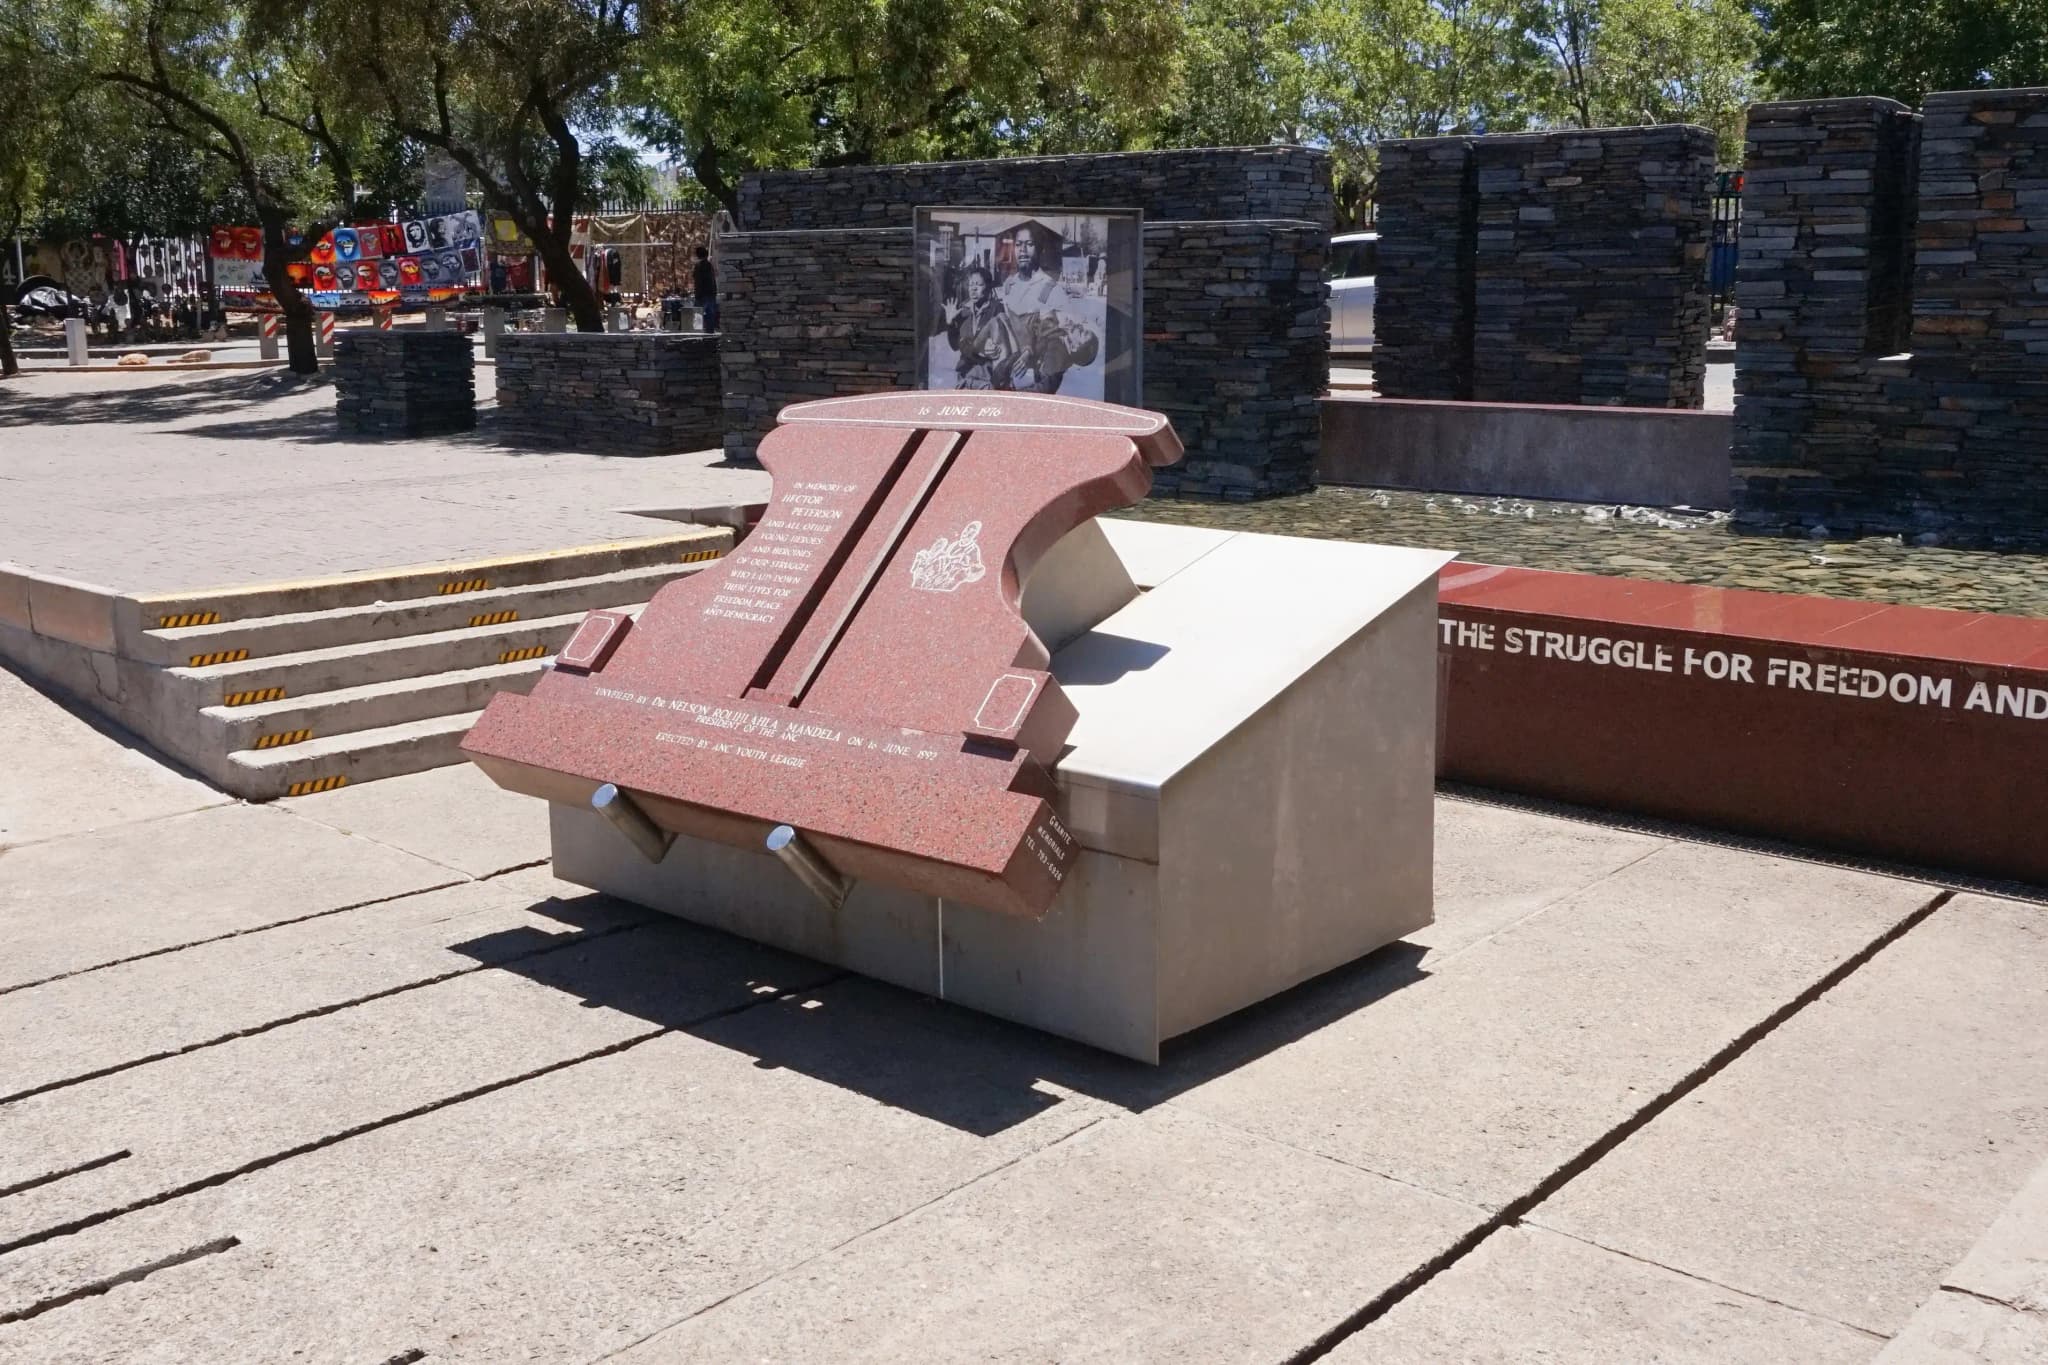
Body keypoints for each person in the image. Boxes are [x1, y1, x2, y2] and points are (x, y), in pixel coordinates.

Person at [995, 226, 1095, 393]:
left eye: (1029, 244)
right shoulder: (1008, 286)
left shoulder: (1052, 290)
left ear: (1039, 249)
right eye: (1019, 244)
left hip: (1029, 385)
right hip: (1000, 373)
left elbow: (1062, 345)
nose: (1023, 250)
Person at [943, 266, 1016, 390]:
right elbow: (955, 346)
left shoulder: (997, 310)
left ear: (988, 287)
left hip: (988, 379)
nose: (973, 289)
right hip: (966, 377)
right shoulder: (964, 312)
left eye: (979, 284)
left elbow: (1002, 349)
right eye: (971, 285)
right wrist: (950, 323)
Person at [691, 245, 718, 332]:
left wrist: (697, 294)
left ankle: (698, 335)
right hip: (710, 293)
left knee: (698, 316)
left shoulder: (699, 267)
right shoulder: (709, 265)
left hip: (702, 294)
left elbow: (698, 281)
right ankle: (710, 333)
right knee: (710, 316)